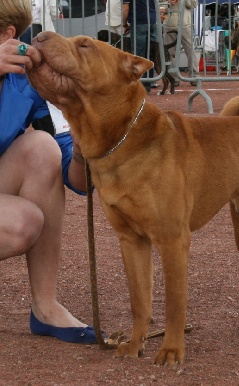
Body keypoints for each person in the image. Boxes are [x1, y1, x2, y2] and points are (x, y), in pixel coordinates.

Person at [0, 0, 100, 343]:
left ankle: (46, 307)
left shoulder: (29, 79)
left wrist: (85, 151)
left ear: (7, 35)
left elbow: (78, 182)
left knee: (42, 148)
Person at [122, 0, 159, 93]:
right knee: (150, 53)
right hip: (152, 20)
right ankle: (149, 82)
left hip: (138, 21)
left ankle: (141, 85)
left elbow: (126, 8)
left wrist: (124, 24)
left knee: (138, 54)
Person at [163, 0, 199, 86]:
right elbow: (160, 6)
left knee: (190, 51)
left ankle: (194, 76)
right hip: (169, 25)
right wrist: (168, 3)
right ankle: (174, 77)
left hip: (185, 24)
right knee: (171, 53)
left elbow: (192, 4)